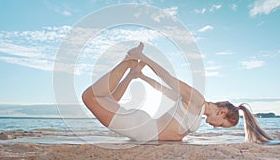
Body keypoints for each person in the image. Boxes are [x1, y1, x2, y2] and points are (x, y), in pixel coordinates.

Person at [82, 42, 272, 143]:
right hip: (140, 128)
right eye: (220, 125)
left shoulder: (195, 108)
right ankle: (129, 61)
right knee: (89, 97)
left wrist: (141, 77)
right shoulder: (197, 99)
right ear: (221, 112)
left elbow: (164, 90)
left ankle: (131, 73)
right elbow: (170, 80)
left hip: (143, 127)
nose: (216, 128)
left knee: (110, 100)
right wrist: (143, 58)